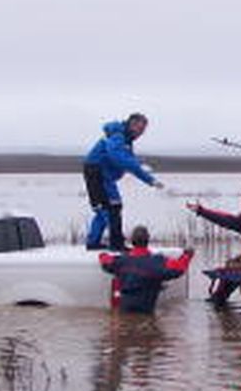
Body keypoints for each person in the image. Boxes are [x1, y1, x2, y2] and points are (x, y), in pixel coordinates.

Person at [83, 113, 162, 251]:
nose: (141, 133)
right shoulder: (118, 136)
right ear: (131, 124)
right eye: (140, 128)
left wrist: (150, 180)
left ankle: (93, 242)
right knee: (112, 208)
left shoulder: (125, 140)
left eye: (144, 130)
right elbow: (119, 158)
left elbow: (132, 165)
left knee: (104, 208)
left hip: (103, 176)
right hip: (97, 173)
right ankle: (116, 244)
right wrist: (143, 172)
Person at [187, 186, 241, 303]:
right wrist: (202, 211)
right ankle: (218, 299)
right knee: (230, 266)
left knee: (233, 268)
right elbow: (226, 219)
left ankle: (219, 299)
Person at [98, 225, 194, 314]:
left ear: (132, 241)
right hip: (147, 308)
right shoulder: (158, 262)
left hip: (125, 308)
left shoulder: (122, 261)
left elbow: (105, 261)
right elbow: (179, 268)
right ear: (148, 240)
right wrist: (187, 255)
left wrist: (102, 254)